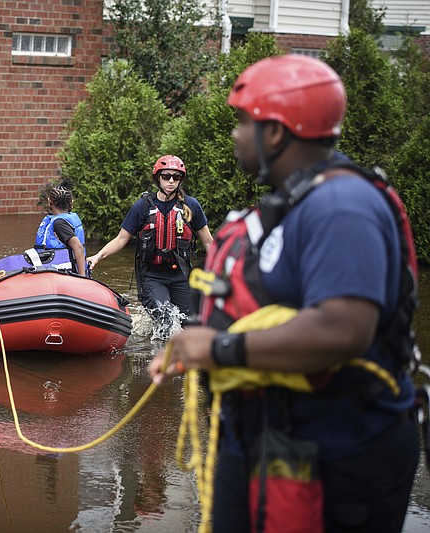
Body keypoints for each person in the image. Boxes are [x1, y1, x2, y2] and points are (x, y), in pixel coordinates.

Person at [149, 55, 419, 532]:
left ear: (275, 132)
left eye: (242, 123)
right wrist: (196, 348)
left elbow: (344, 328)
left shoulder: (343, 207)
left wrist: (219, 347)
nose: (235, 135)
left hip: (340, 445)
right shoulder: (288, 205)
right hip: (268, 434)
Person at [87, 155, 213, 319]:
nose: (171, 181)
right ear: (157, 178)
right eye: (166, 176)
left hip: (182, 275)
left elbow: (209, 242)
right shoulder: (142, 206)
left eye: (176, 177)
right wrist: (98, 256)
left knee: (190, 323)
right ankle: (155, 344)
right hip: (153, 276)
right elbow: (121, 239)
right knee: (165, 319)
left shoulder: (191, 206)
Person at [34, 182, 87, 275]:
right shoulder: (58, 221)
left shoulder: (59, 224)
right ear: (71, 203)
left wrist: (82, 277)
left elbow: (78, 247)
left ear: (49, 202)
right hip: (54, 272)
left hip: (63, 274)